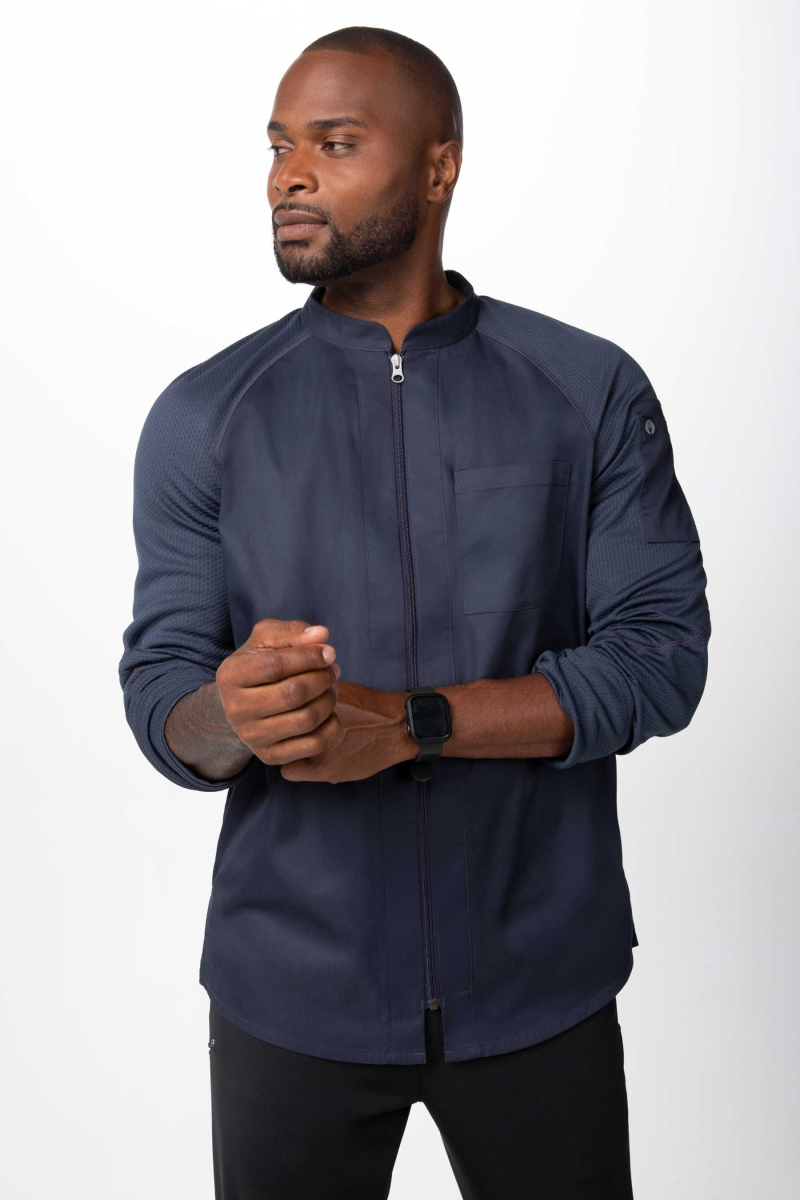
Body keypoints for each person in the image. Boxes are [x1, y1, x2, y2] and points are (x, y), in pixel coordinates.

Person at [118, 24, 711, 1200]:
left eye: (333, 144)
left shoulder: (585, 390)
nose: (288, 176)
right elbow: (165, 696)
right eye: (278, 146)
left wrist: (409, 723)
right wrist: (230, 713)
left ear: (439, 168)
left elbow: (657, 662)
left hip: (539, 980)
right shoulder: (203, 416)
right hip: (291, 995)